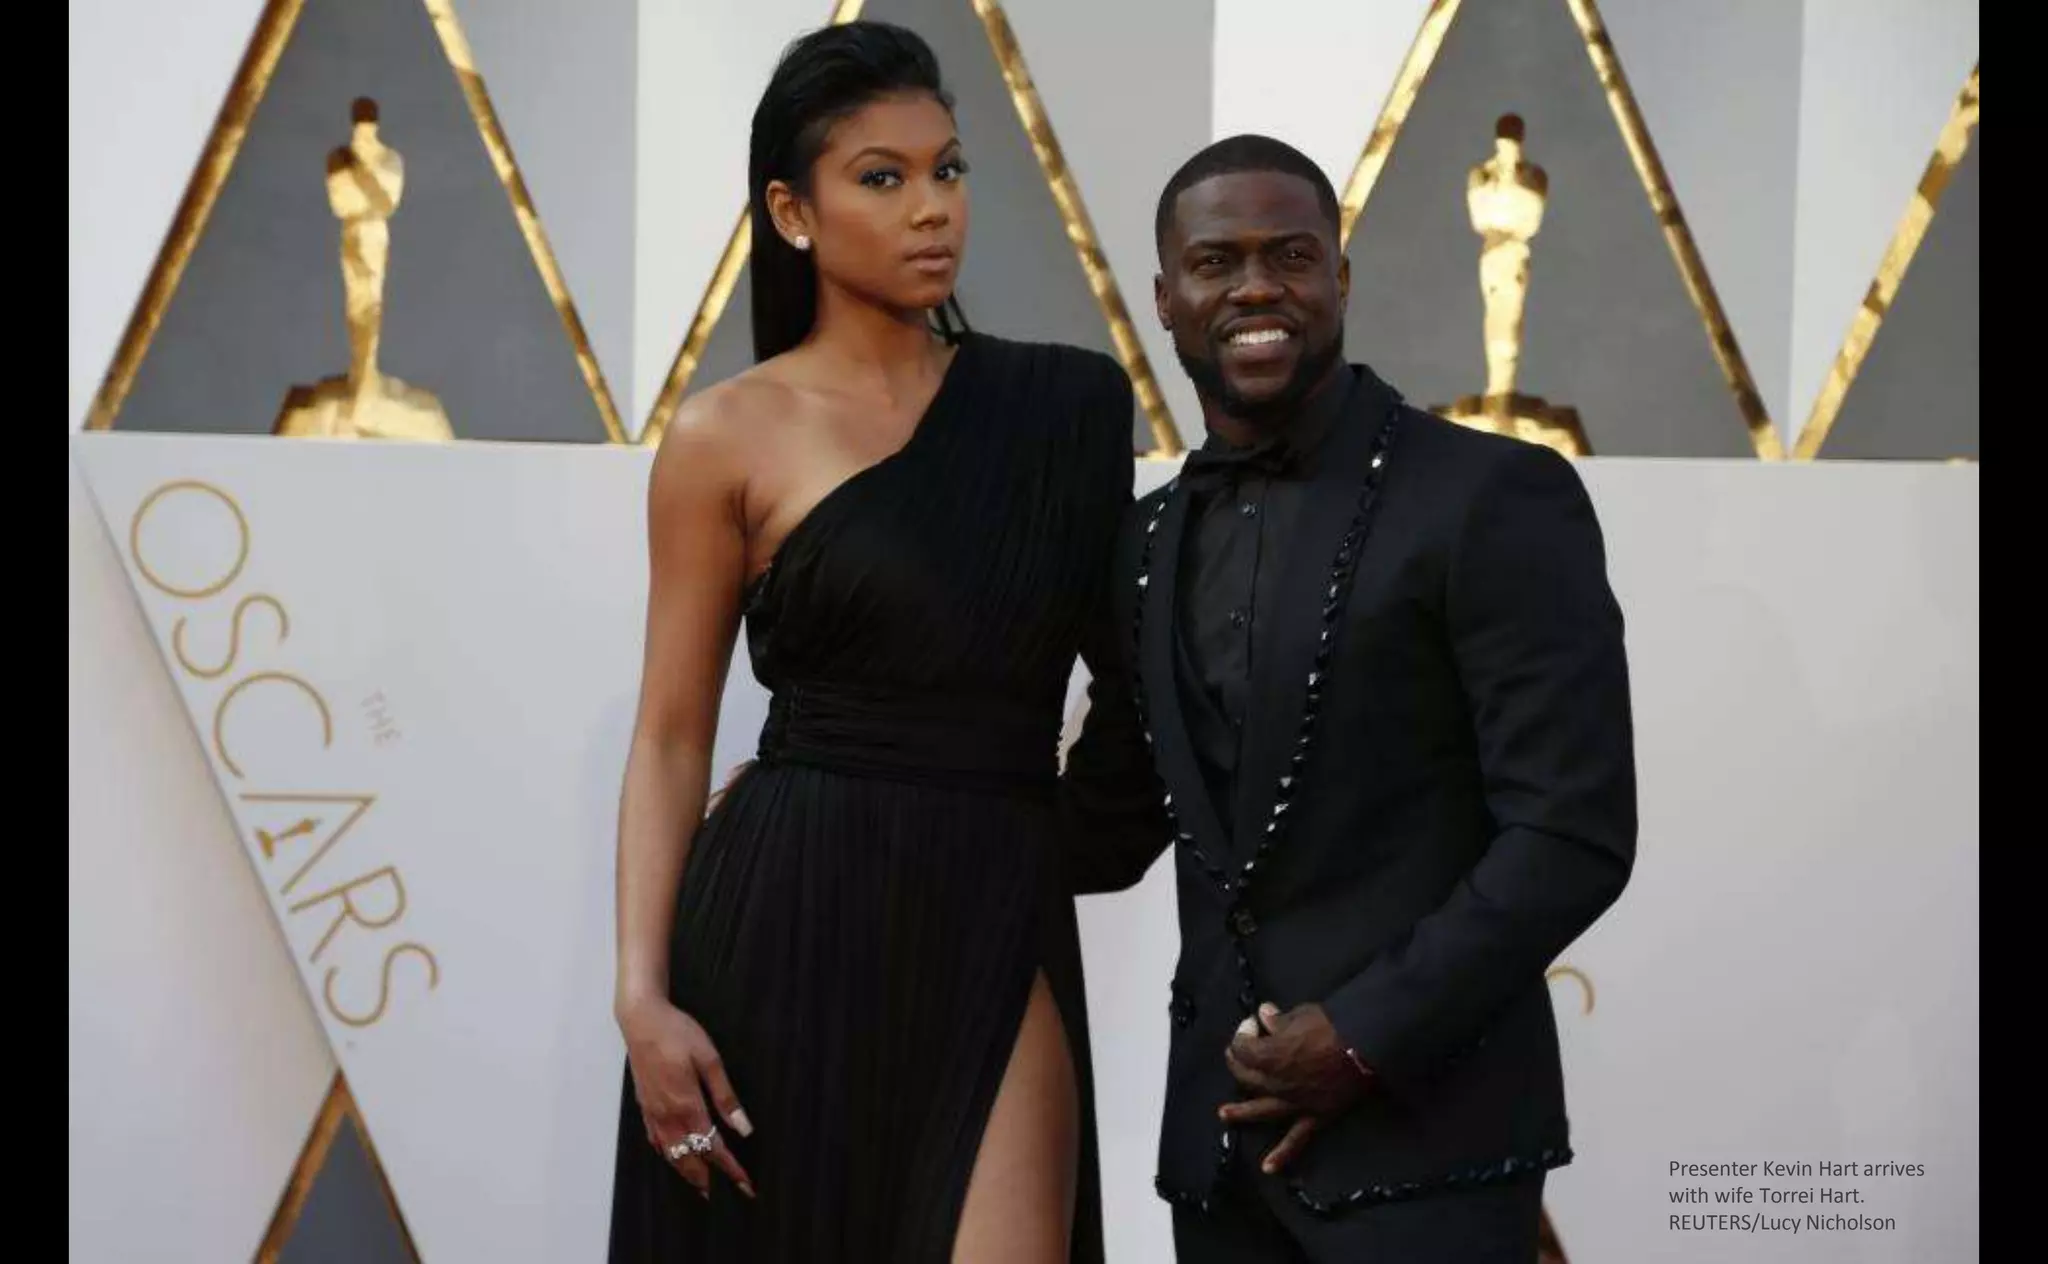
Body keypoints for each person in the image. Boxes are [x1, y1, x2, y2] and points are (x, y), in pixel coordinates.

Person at [608, 21, 1134, 1263]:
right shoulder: (723, 434)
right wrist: (642, 996)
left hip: (995, 903)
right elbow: (673, 732)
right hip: (786, 920)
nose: (929, 209)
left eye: (945, 170)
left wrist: (1054, 839)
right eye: (881, 178)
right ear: (792, 212)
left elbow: (1134, 686)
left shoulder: (1065, 404)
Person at [1058, 134, 1638, 1262]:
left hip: (1430, 1148)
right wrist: (864, 795)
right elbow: (1108, 821)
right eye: (1216, 262)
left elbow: (1568, 830)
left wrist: (1364, 1035)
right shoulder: (1143, 542)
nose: (1257, 286)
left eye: (1291, 254)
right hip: (1217, 1166)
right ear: (1166, 299)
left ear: (1340, 279)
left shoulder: (1493, 497)